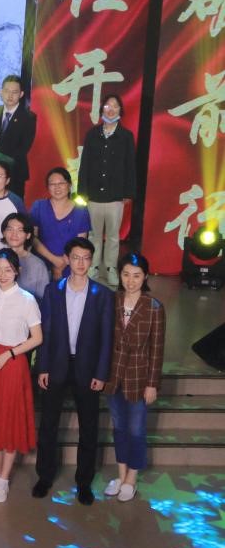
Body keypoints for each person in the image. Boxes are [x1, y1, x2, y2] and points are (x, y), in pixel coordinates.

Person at [33, 237, 114, 505]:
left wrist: (101, 373)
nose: (80, 263)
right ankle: (44, 476)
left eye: (86, 258)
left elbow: (107, 338)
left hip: (87, 368)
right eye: (76, 257)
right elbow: (45, 331)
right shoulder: (53, 290)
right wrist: (43, 366)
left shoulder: (103, 295)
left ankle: (84, 482)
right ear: (67, 259)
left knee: (89, 428)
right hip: (56, 364)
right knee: (48, 425)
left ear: (91, 261)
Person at [0, 249, 42, 504]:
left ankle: (4, 478)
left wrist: (9, 354)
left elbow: (37, 338)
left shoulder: (27, 300)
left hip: (12, 362)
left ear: (17, 271)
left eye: (8, 270)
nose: (2, 275)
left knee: (10, 419)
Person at [103, 252, 165, 503]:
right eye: (126, 275)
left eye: (136, 276)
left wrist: (152, 384)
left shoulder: (154, 307)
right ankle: (121, 475)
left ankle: (132, 477)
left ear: (145, 277)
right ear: (120, 275)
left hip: (139, 377)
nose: (130, 281)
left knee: (136, 429)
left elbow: (157, 350)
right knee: (118, 426)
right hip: (113, 375)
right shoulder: (112, 301)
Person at [77, 94, 136, 287]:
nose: (111, 110)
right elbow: (85, 164)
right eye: (107, 106)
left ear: (120, 110)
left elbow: (130, 166)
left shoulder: (126, 136)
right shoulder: (92, 134)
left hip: (115, 195)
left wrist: (128, 192)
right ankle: (93, 266)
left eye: (115, 106)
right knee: (94, 234)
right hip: (94, 195)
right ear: (102, 109)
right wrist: (82, 191)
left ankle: (110, 268)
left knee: (112, 235)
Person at [31, 168, 91, 281]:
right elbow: (33, 238)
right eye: (52, 184)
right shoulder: (39, 206)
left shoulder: (81, 211)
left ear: (69, 185)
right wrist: (54, 260)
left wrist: (63, 263)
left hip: (70, 265)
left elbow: (81, 242)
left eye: (61, 183)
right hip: (42, 265)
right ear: (48, 187)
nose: (57, 187)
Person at [0, 213, 50, 301]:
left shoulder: (38, 265)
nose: (14, 234)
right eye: (10, 229)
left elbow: (43, 299)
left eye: (20, 230)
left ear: (28, 235)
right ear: (4, 233)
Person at [0, 75, 37, 200]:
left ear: (21, 94)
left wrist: (1, 167)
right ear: (1, 92)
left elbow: (23, 148)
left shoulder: (28, 117)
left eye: (14, 92)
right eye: (7, 91)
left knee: (12, 206)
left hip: (15, 172)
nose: (10, 95)